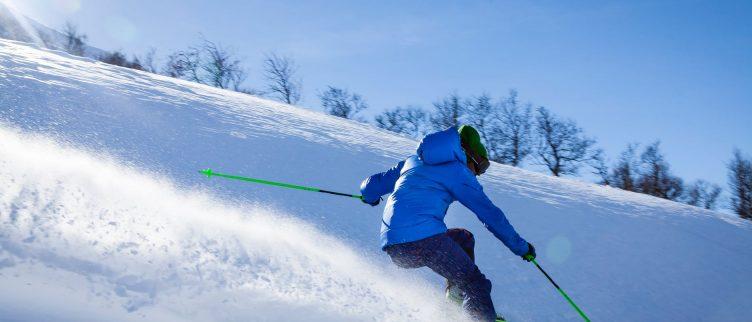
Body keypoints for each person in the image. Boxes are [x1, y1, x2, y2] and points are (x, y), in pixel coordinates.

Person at [360, 125, 535, 322]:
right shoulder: (457, 172)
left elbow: (371, 186)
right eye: (481, 166)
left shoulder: (413, 161)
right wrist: (521, 247)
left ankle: (456, 299)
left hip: (395, 248)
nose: (478, 173)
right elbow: (490, 215)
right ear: (469, 154)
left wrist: (370, 197)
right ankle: (478, 317)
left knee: (463, 238)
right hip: (423, 240)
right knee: (476, 284)